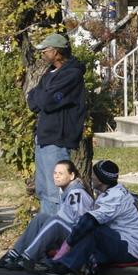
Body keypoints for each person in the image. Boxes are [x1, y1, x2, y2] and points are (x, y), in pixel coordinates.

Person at [44, 160, 138, 275]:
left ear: (101, 179)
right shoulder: (112, 191)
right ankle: (86, 262)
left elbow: (89, 220)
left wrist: (68, 245)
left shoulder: (115, 197)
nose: (91, 177)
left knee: (91, 230)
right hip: (120, 240)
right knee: (90, 232)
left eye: (93, 174)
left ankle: (66, 265)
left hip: (131, 248)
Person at [0, 159, 93, 271]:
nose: (56, 176)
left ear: (72, 175)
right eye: (55, 173)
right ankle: (14, 254)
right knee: (41, 218)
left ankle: (28, 258)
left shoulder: (77, 193)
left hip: (78, 239)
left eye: (61, 173)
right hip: (68, 234)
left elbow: (82, 225)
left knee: (56, 221)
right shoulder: (66, 191)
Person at [26, 32, 87, 217]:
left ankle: (58, 231)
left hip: (58, 138)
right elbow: (32, 101)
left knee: (55, 191)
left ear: (57, 52)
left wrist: (42, 95)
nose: (43, 53)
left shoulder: (71, 74)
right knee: (43, 189)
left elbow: (45, 101)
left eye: (46, 49)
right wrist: (42, 95)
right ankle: (47, 229)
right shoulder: (48, 74)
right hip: (43, 137)